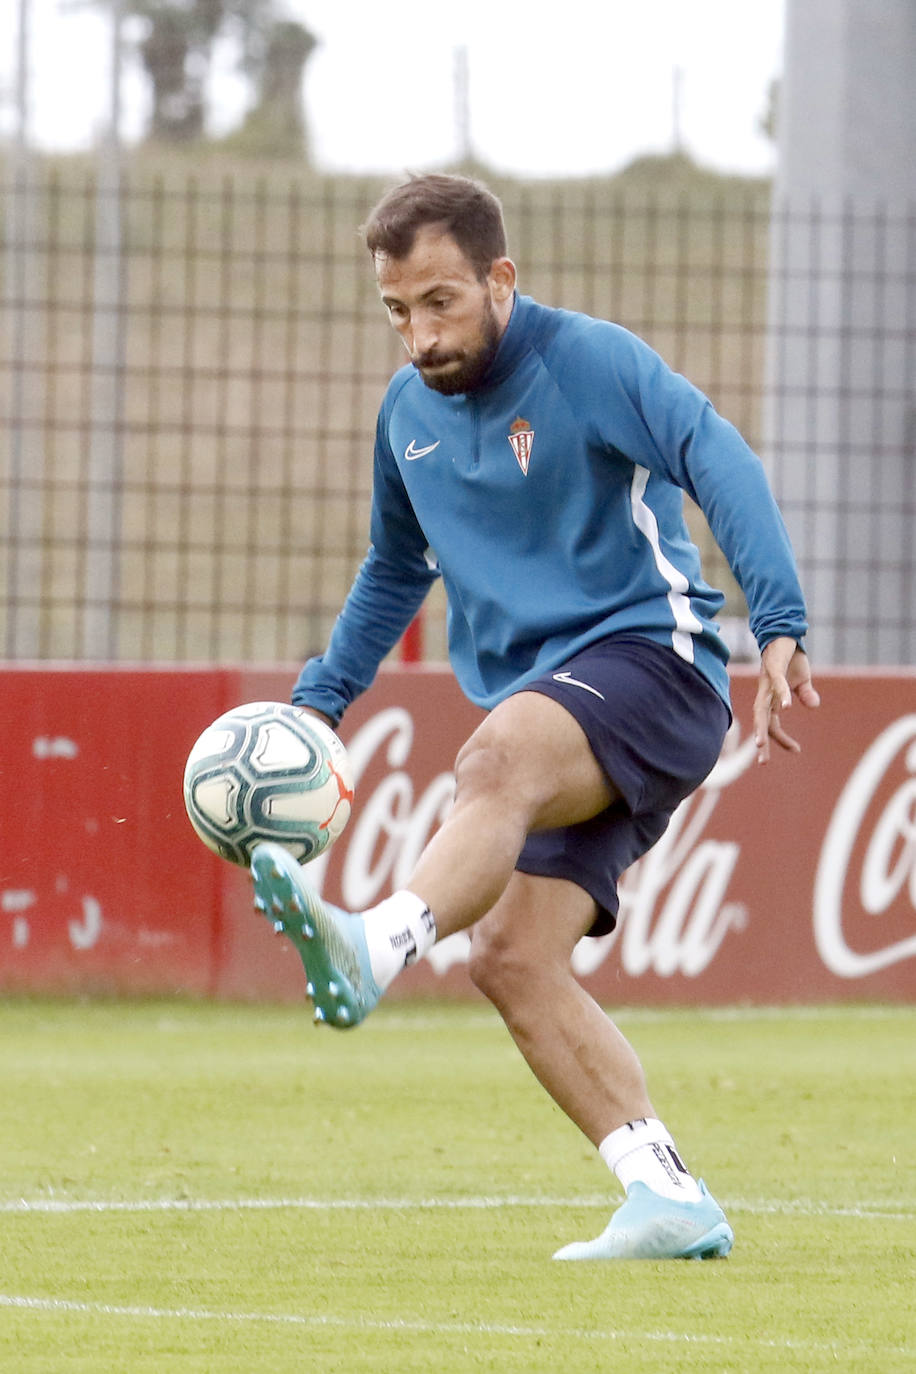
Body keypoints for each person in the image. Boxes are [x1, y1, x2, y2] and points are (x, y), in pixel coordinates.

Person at [250, 172, 820, 1261]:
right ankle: (665, 1193)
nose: (418, 335)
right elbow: (393, 566)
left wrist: (779, 614)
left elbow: (715, 453)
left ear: (499, 279)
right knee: (510, 955)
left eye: (440, 303)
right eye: (397, 309)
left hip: (658, 668)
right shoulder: (405, 414)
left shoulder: (584, 361)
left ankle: (372, 946)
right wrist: (319, 699)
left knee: (495, 755)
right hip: (556, 707)